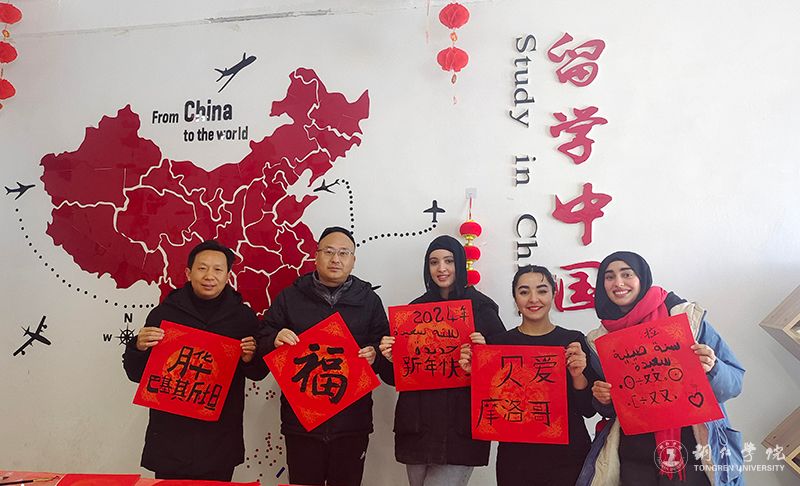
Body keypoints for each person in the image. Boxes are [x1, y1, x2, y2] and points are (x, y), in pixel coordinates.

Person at [577, 251, 745, 486]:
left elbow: (735, 382)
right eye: (610, 277)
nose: (618, 283)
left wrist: (713, 368)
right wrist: (603, 399)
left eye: (627, 274)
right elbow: (615, 403)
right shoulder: (600, 339)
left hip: (693, 447)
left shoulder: (687, 319)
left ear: (642, 278)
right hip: (635, 456)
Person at [122, 239, 269, 481]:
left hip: (219, 436)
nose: (209, 275)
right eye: (202, 268)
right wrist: (138, 346)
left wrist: (250, 358)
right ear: (189, 273)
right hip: (171, 436)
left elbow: (258, 373)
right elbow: (135, 374)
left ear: (228, 276)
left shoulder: (243, 318)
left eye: (217, 269)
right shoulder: (164, 314)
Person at [260, 226, 390, 486]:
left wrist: (375, 353)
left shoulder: (369, 301)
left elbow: (385, 347)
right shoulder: (290, 297)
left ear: (353, 260)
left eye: (344, 253)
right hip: (302, 423)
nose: (335, 259)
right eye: (328, 251)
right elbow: (263, 336)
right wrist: (274, 338)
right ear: (316, 256)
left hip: (351, 422)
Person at [378, 235, 506, 486]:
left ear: (460, 263)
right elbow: (395, 378)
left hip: (460, 427)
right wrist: (391, 358)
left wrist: (484, 352)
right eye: (434, 262)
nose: (441, 268)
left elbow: (503, 370)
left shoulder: (481, 308)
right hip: (418, 425)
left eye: (449, 261)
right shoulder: (414, 311)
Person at [459, 264, 598, 486]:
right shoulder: (498, 345)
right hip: (516, 459)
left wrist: (578, 375)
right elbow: (490, 408)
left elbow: (588, 410)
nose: (534, 299)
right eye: (524, 292)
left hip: (569, 457)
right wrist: (473, 373)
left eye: (542, 291)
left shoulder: (572, 341)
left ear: (554, 294)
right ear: (515, 298)